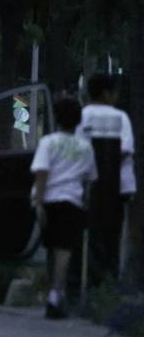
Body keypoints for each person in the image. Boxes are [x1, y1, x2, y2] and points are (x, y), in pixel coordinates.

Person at [31, 97, 97, 319]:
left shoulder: (48, 142)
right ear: (78, 120)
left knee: (52, 248)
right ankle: (56, 294)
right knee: (65, 250)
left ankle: (53, 292)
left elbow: (42, 173)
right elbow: (89, 178)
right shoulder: (85, 147)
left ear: (56, 118)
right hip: (73, 200)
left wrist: (39, 202)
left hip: (50, 200)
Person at [75, 73, 135, 282]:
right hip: (118, 188)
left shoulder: (81, 117)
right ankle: (111, 279)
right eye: (115, 92)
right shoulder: (121, 118)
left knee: (91, 236)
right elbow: (126, 150)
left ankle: (90, 280)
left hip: (88, 188)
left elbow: (77, 152)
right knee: (113, 235)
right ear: (106, 93)